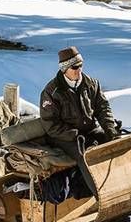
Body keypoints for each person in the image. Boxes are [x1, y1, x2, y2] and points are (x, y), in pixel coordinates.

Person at [39, 46, 120, 196]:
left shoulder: (91, 83)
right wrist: (75, 135)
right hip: (64, 138)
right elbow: (51, 125)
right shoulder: (51, 92)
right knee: (86, 155)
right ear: (64, 70)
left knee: (114, 143)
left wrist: (110, 129)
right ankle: (100, 195)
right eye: (74, 67)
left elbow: (103, 108)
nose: (79, 70)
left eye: (80, 65)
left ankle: (120, 186)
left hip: (89, 130)